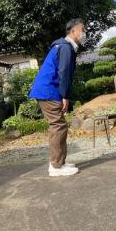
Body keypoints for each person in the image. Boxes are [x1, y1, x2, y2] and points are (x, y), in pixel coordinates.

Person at [29, 18, 86, 177]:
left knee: (60, 125)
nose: (84, 33)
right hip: (49, 91)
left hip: (48, 90)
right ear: (73, 31)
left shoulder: (63, 46)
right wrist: (65, 96)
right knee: (58, 126)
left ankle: (59, 162)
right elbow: (64, 74)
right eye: (82, 29)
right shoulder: (66, 47)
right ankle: (56, 166)